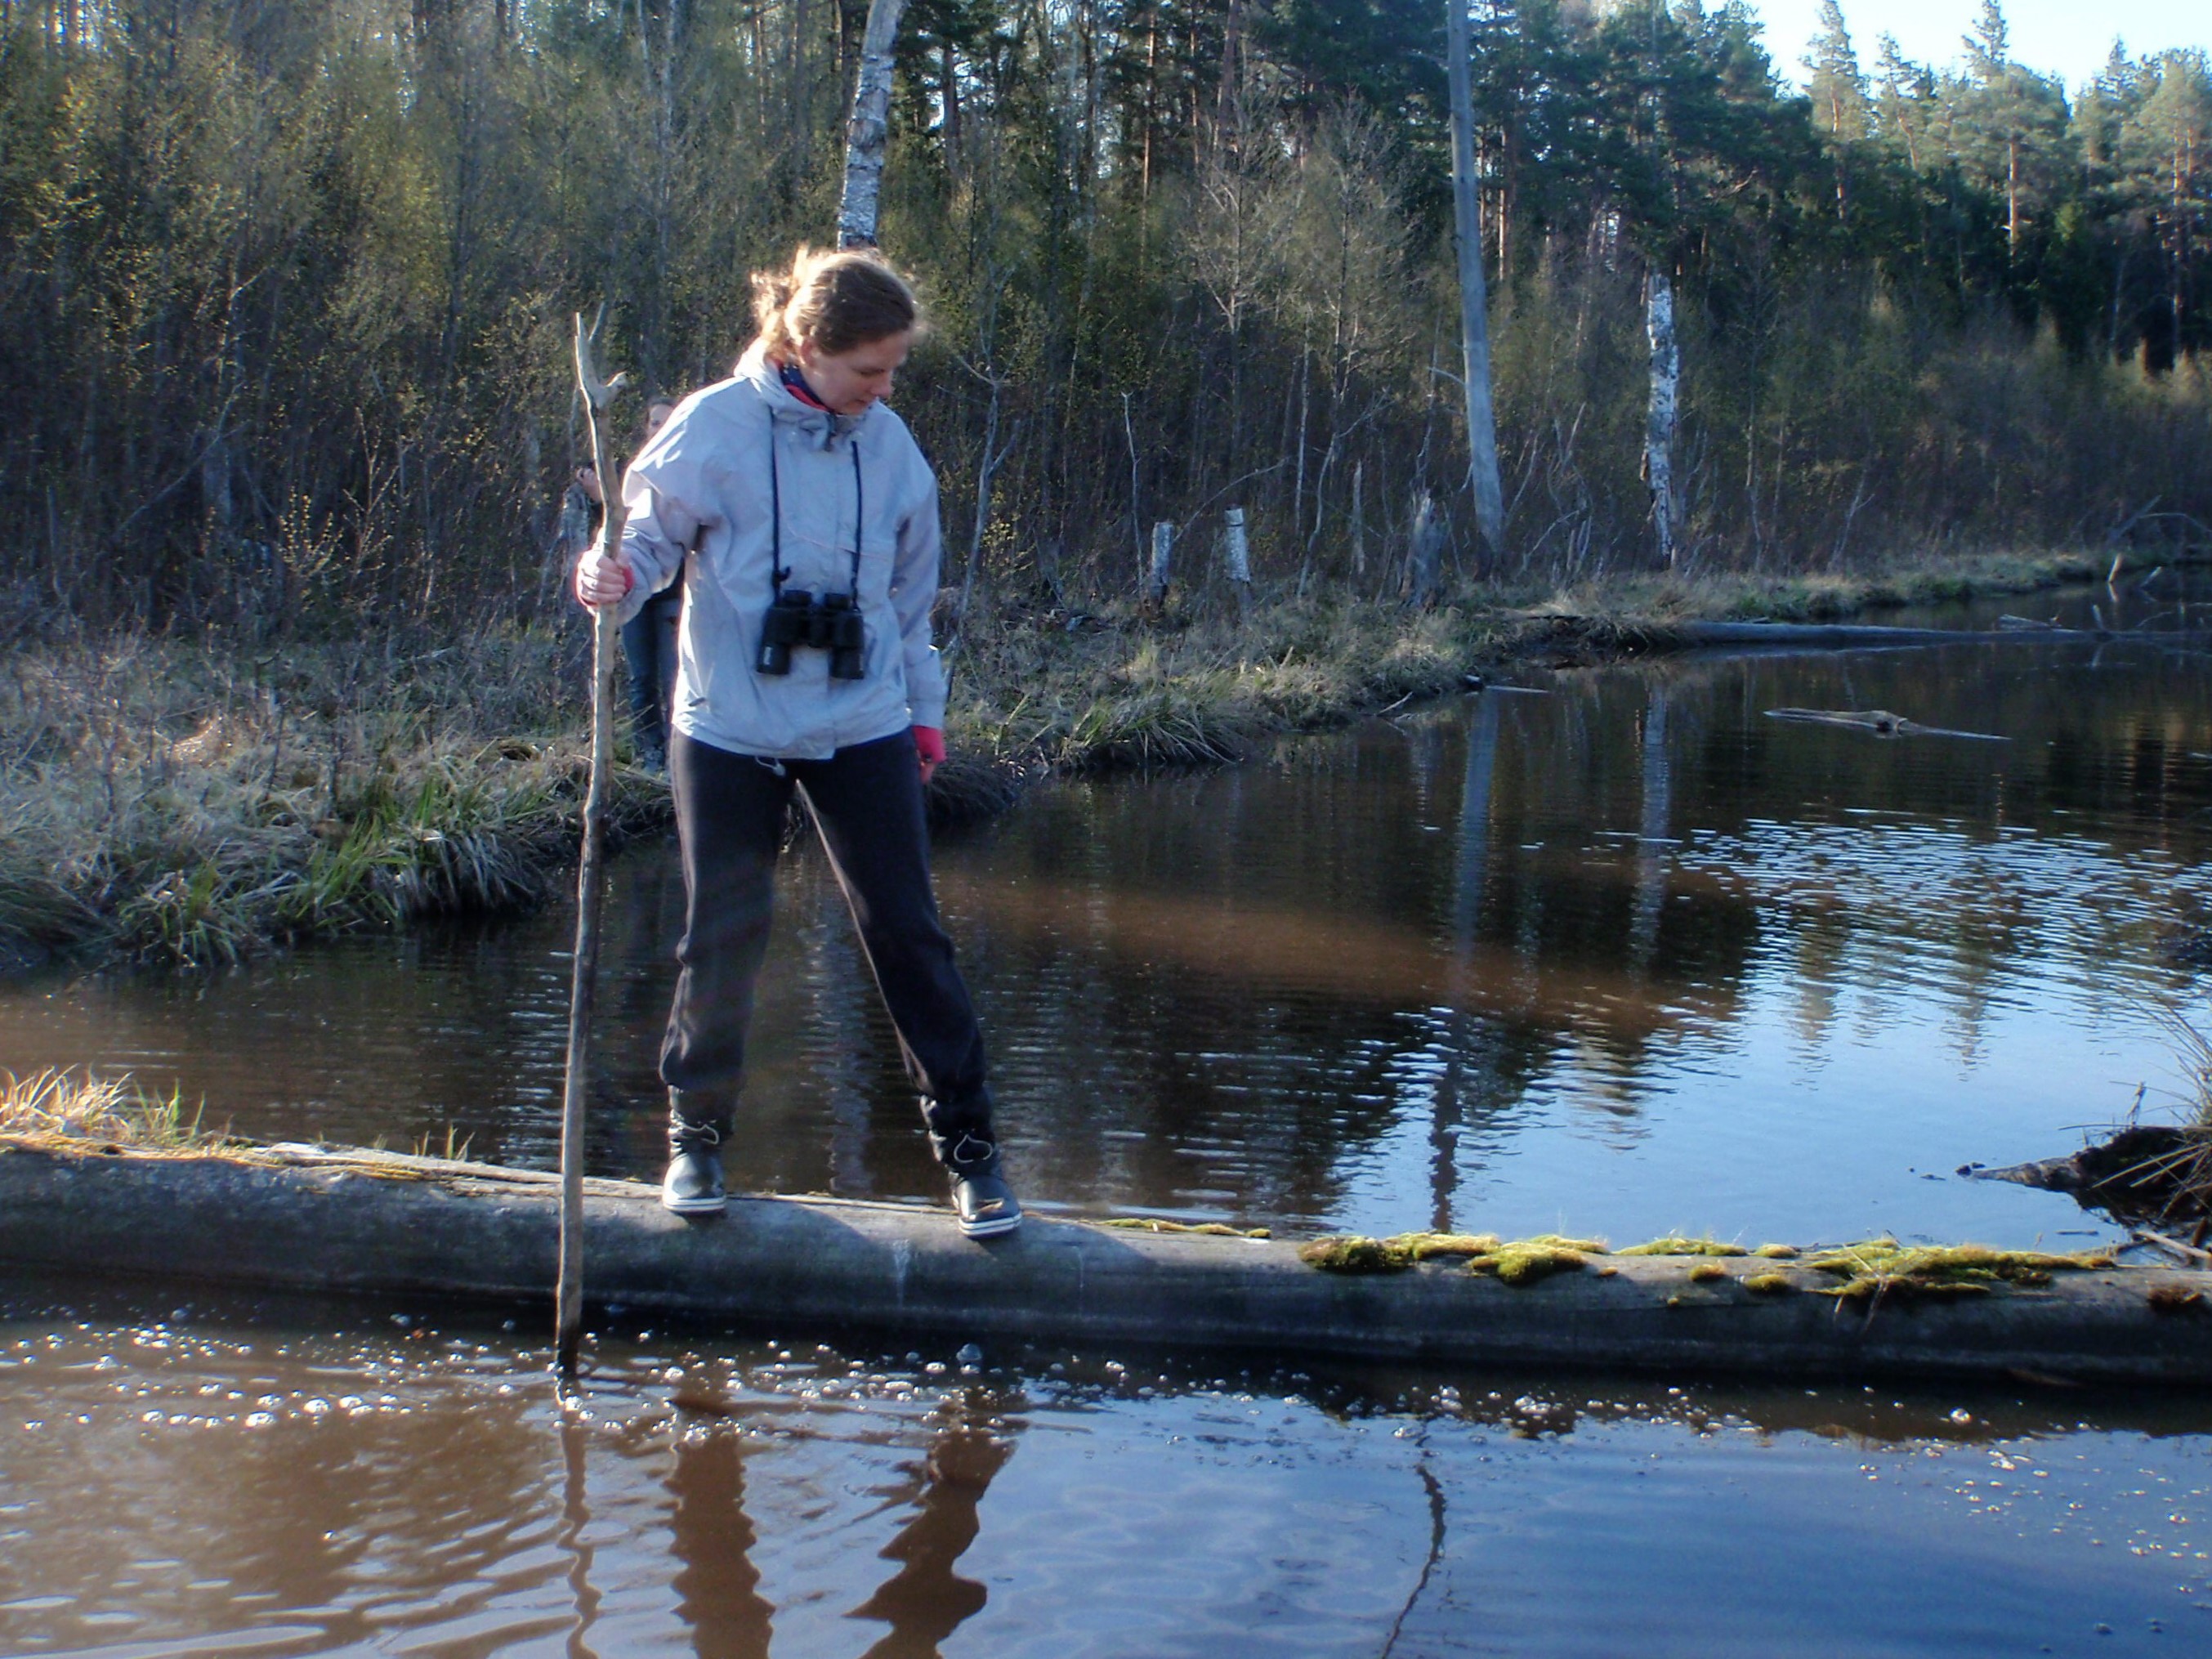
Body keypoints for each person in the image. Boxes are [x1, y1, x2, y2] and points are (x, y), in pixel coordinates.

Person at [573, 247, 1020, 1239]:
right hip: (727, 722)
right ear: (809, 347)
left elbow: (910, 609)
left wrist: (924, 711)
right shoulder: (712, 427)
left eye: (895, 367)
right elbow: (641, 545)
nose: (886, 385)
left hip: (862, 721)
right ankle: (696, 1139)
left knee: (908, 930)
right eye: (870, 368)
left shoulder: (892, 445)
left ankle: (973, 1152)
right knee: (722, 933)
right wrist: (608, 576)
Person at [574, 395, 683, 771]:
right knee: (641, 678)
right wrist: (598, 500)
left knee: (675, 677)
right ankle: (648, 754)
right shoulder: (626, 471)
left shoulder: (688, 468)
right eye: (654, 422)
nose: (660, 428)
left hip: (674, 596)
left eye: (667, 421)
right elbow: (614, 529)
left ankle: (676, 757)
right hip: (631, 593)